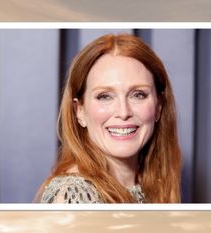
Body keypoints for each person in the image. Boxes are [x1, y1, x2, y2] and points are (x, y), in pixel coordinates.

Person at [35, 33, 181, 203]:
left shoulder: (152, 183)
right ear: (79, 111)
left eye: (138, 94)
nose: (123, 112)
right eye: (105, 96)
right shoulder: (74, 196)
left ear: (159, 106)